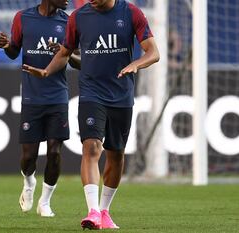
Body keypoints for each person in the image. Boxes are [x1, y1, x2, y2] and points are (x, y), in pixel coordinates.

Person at [23, 0, 159, 229]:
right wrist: (46, 71)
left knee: (116, 154)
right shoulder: (78, 17)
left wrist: (136, 64)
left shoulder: (131, 13)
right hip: (91, 93)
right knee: (92, 147)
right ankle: (93, 211)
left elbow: (153, 52)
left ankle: (105, 211)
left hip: (121, 95)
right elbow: (65, 53)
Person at [0, 0, 80, 217]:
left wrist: (66, 53)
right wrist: (6, 45)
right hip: (32, 98)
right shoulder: (23, 18)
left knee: (54, 152)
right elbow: (14, 52)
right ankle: (29, 182)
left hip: (58, 97)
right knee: (28, 157)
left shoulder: (69, 21)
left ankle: (45, 202)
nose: (68, 1)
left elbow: (80, 61)